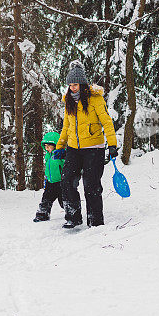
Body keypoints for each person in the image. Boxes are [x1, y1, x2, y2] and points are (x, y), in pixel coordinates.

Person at [54, 61, 118, 229]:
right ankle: (73, 217)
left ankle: (95, 221)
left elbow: (107, 122)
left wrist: (112, 145)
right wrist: (60, 146)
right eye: (70, 85)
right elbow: (66, 127)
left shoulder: (95, 99)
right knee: (67, 180)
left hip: (93, 149)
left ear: (82, 84)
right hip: (74, 149)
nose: (72, 88)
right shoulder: (68, 101)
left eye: (75, 84)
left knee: (91, 185)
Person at [33, 131, 65, 222]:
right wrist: (46, 179)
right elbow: (47, 169)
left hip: (61, 182)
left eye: (49, 146)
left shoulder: (60, 155)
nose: (46, 148)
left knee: (64, 201)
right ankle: (42, 214)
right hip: (50, 182)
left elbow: (65, 165)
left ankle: (71, 214)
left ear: (55, 145)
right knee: (46, 200)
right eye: (45, 146)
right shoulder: (47, 156)